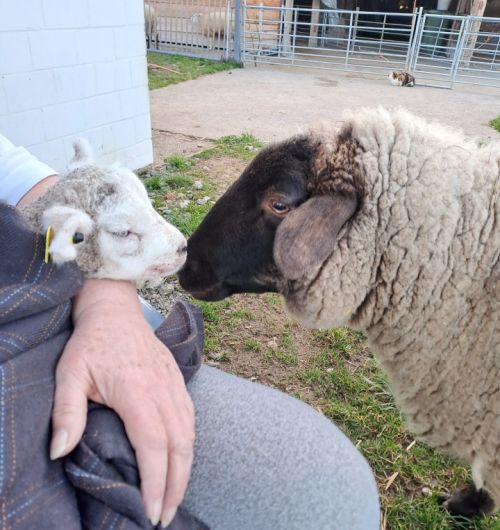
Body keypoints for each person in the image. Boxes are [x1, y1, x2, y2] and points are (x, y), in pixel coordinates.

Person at [0, 133, 380, 529]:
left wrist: (106, 300)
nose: (182, 242)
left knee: (332, 494)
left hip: (40, 300)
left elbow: (17, 175)